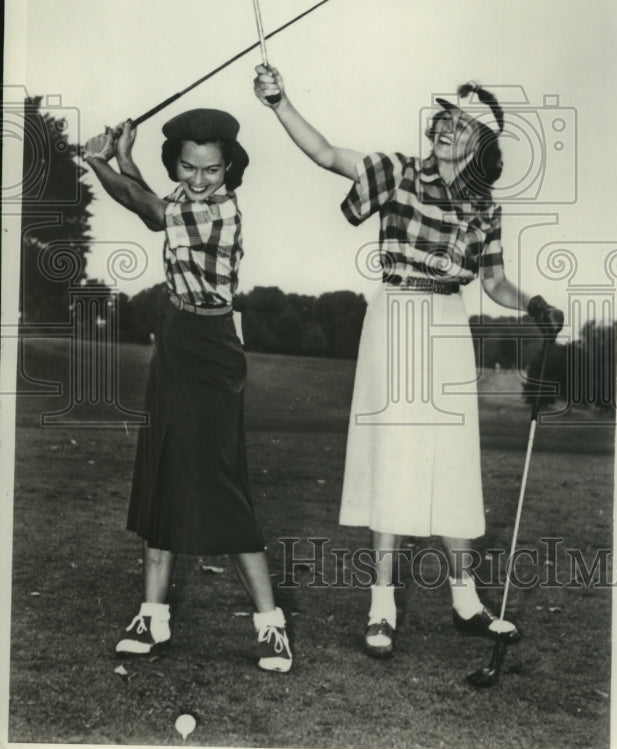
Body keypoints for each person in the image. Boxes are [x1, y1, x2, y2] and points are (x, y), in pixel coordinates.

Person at [253, 67, 562, 659]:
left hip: (449, 323)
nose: (447, 126)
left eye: (463, 124)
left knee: (451, 459)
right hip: (396, 315)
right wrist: (280, 102)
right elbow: (324, 153)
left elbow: (493, 283)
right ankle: (382, 607)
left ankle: (466, 602)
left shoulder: (485, 207)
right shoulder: (396, 171)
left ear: (483, 146)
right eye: (445, 116)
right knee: (394, 457)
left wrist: (534, 305)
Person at [82, 109, 292, 673]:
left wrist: (97, 159)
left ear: (229, 170)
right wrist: (126, 152)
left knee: (222, 479)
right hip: (174, 336)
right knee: (162, 468)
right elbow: (157, 203)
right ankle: (153, 616)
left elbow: (144, 206)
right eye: (188, 168)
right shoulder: (186, 201)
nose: (200, 180)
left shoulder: (217, 212)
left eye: (212, 171)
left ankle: (271, 627)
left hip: (212, 346)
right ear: (177, 163)